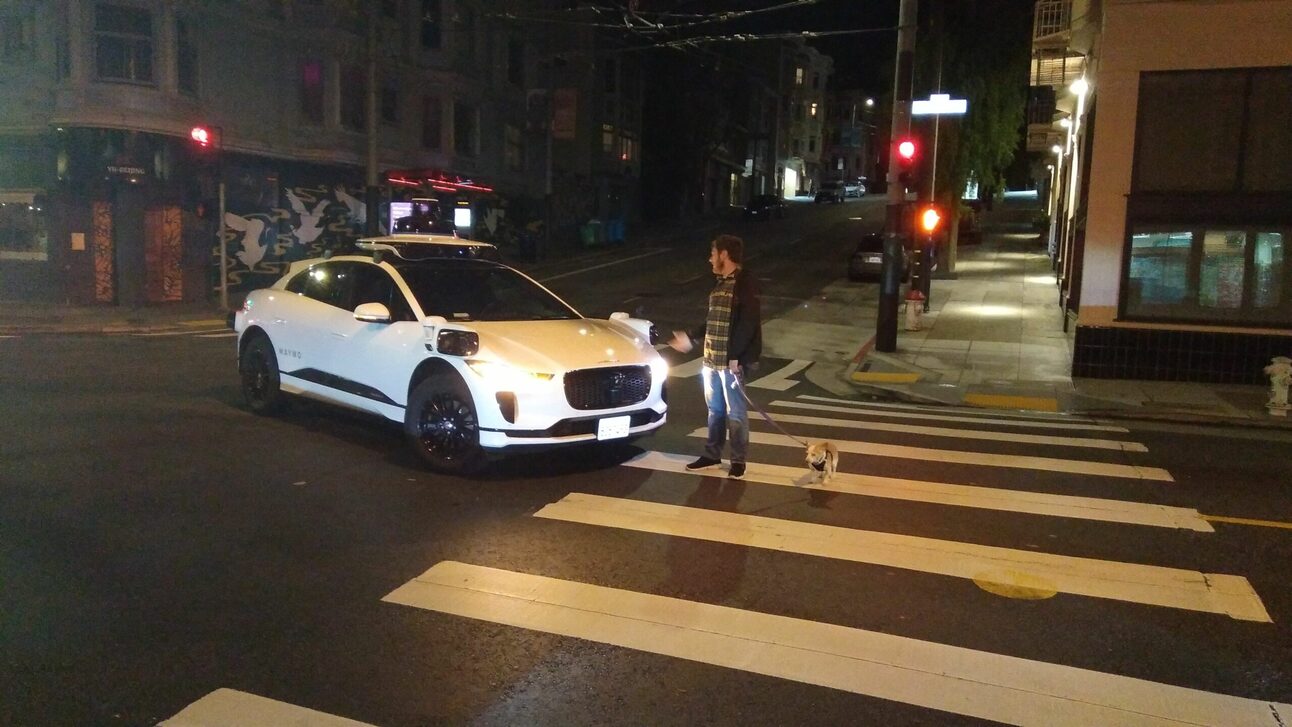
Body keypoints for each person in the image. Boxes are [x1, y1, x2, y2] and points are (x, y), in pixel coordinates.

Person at [668, 234, 762, 479]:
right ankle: (712, 454)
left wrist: (736, 356)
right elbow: (713, 321)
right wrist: (690, 337)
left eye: (712, 254)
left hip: (731, 362)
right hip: (711, 359)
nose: (709, 259)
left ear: (724, 254)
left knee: (736, 413)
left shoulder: (745, 283)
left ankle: (738, 461)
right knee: (715, 410)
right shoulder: (720, 283)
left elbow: (748, 322)